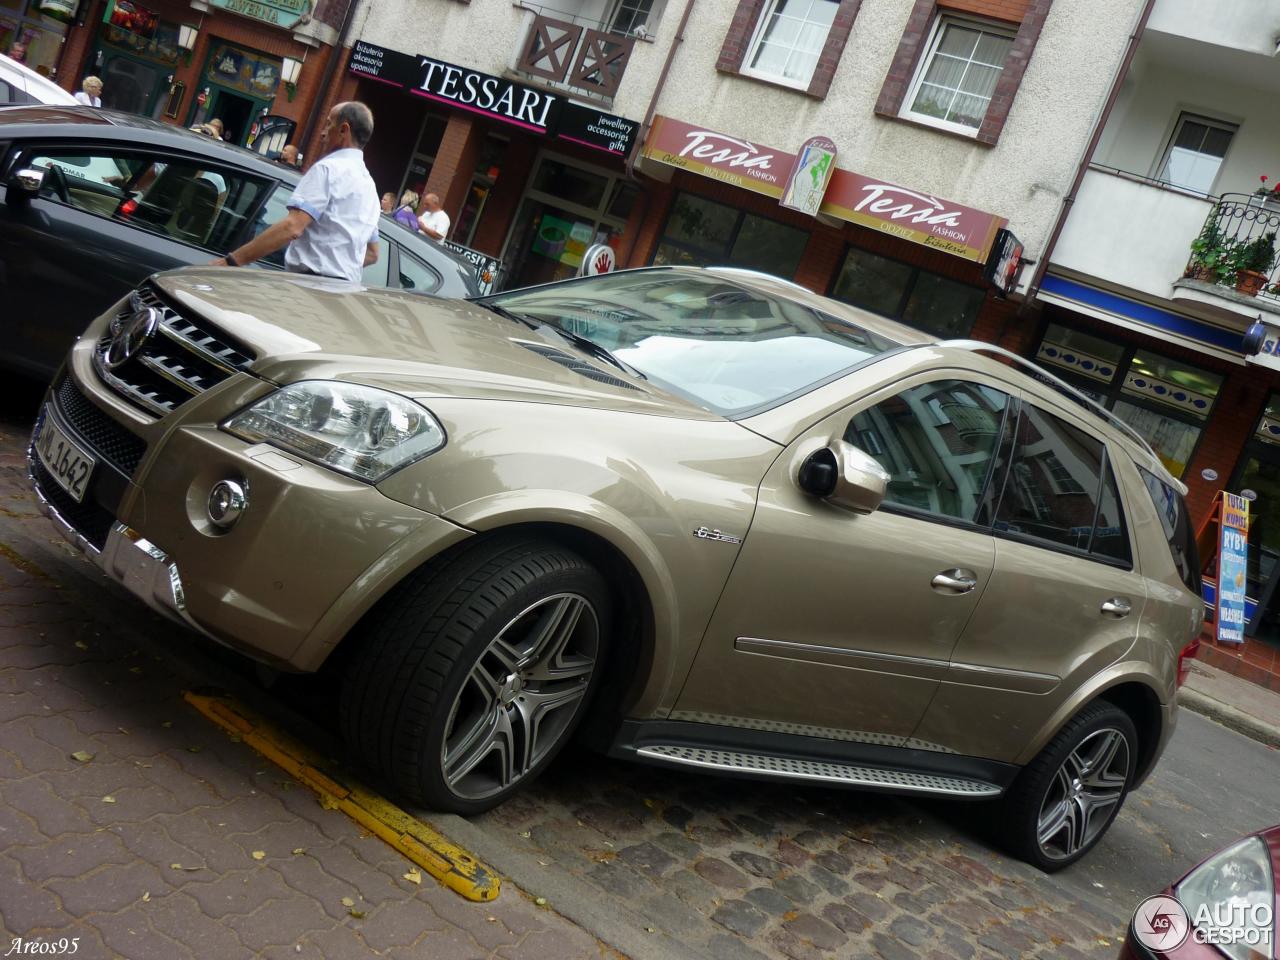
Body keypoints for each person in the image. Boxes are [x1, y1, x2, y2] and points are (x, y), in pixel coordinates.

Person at [209, 101, 379, 283]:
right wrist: (338, 267)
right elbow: (372, 254)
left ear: (344, 130)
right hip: (344, 291)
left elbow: (292, 227)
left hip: (310, 286)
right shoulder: (369, 187)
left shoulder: (328, 170)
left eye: (329, 124)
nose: (322, 133)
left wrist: (232, 261)